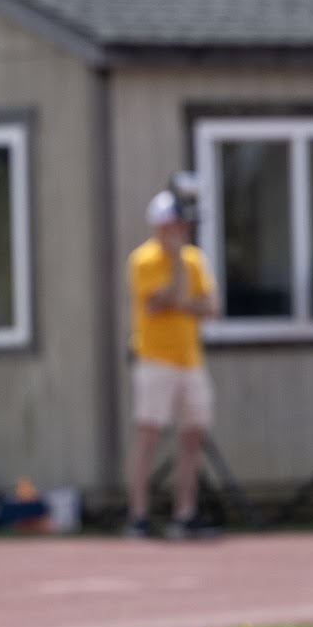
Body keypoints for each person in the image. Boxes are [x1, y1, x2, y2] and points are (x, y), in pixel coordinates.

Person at [125, 181, 221, 539]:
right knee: (149, 436)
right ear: (163, 225)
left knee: (193, 436)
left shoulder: (196, 260)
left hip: (190, 361)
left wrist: (182, 301)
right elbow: (161, 300)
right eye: (178, 224)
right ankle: (139, 515)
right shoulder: (144, 260)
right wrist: (178, 269)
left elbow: (211, 307)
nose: (184, 230)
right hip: (154, 360)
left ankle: (185, 514)